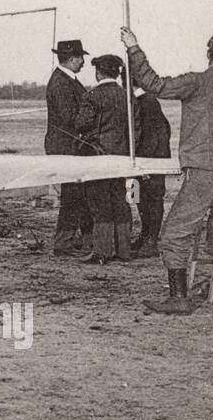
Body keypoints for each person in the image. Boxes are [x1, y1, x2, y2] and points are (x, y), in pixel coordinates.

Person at [122, 28, 213, 318]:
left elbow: (153, 83)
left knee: (174, 234)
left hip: (205, 171)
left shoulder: (196, 82)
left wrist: (134, 48)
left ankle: (179, 298)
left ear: (208, 53)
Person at [75, 54, 132, 263]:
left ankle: (102, 251)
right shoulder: (126, 96)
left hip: (98, 156)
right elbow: (135, 128)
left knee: (100, 204)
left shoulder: (92, 96)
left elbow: (81, 124)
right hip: (122, 156)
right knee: (120, 201)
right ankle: (124, 250)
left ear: (98, 72)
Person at [45, 39, 92, 256]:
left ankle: (84, 238)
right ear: (72, 59)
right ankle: (63, 243)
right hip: (66, 147)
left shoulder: (65, 80)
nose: (83, 62)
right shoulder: (61, 83)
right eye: (81, 57)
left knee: (78, 194)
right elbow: (69, 118)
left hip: (68, 145)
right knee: (73, 195)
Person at [131, 82, 171, 258]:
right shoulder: (141, 101)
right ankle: (146, 235)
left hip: (151, 161)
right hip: (145, 160)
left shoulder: (147, 102)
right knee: (139, 198)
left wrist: (145, 164)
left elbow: (155, 135)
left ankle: (151, 241)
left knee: (153, 200)